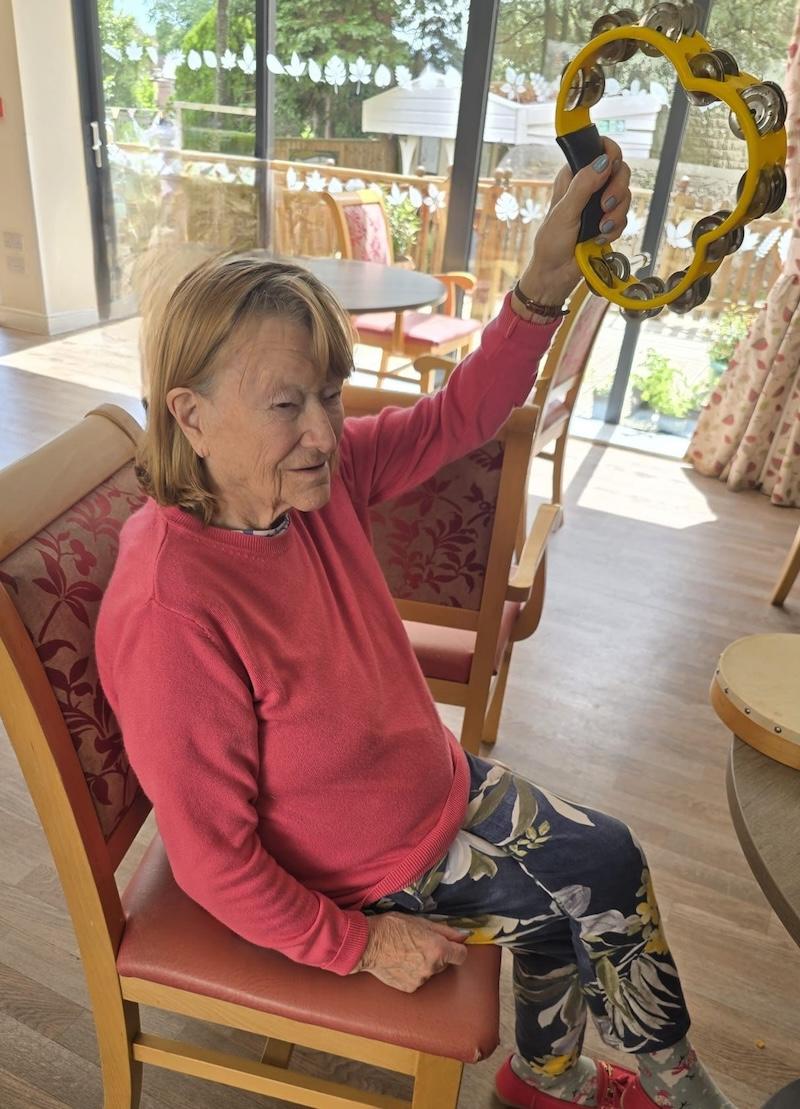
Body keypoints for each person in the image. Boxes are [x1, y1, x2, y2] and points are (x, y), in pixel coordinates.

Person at [96, 139, 734, 1109]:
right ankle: (661, 1085)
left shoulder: (306, 482)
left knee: (592, 870)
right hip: (365, 862)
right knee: (601, 870)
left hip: (423, 791)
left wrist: (539, 289)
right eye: (285, 404)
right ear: (190, 413)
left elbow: (461, 414)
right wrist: (358, 943)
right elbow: (214, 861)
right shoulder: (171, 605)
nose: (324, 429)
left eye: (327, 392)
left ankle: (545, 1078)